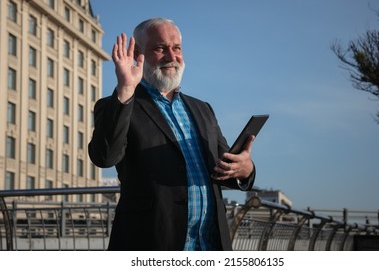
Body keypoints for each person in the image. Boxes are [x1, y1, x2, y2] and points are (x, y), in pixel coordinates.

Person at [88, 17, 256, 251]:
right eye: (160, 48)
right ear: (138, 53)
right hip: (151, 244)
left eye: (176, 48)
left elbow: (224, 168)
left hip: (209, 245)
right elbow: (104, 157)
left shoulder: (202, 109)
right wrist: (126, 88)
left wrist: (245, 170)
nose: (171, 56)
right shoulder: (119, 104)